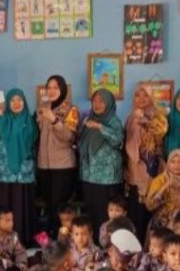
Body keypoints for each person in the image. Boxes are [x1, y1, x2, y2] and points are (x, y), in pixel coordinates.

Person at [0, 87, 39, 243]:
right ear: (8, 102)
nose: (16, 103)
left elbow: (34, 144)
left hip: (23, 173)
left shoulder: (30, 121)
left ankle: (21, 240)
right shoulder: (1, 118)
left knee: (21, 208)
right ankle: (0, 241)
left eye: (19, 100)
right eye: (12, 100)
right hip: (3, 172)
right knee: (3, 208)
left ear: (24, 102)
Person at [123, 83, 168, 238]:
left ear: (151, 98)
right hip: (133, 169)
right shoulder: (130, 117)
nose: (141, 99)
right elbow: (127, 141)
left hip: (151, 169)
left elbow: (160, 133)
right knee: (135, 211)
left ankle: (151, 246)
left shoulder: (159, 116)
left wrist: (143, 119)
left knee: (151, 208)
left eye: (145, 95)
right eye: (137, 95)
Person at [35, 75, 80, 232]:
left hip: (63, 166)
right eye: (49, 87)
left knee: (58, 206)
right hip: (44, 165)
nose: (52, 91)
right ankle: (50, 238)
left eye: (56, 87)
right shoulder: (42, 109)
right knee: (48, 205)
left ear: (63, 89)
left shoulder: (71, 110)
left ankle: (60, 238)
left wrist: (54, 120)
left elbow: (69, 137)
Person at [78, 89, 124, 225]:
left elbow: (117, 140)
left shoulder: (114, 121)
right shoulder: (88, 119)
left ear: (109, 103)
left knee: (105, 214)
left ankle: (106, 237)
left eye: (101, 101)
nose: (97, 104)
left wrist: (100, 127)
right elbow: (80, 142)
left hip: (107, 178)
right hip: (89, 176)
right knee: (90, 213)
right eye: (94, 101)